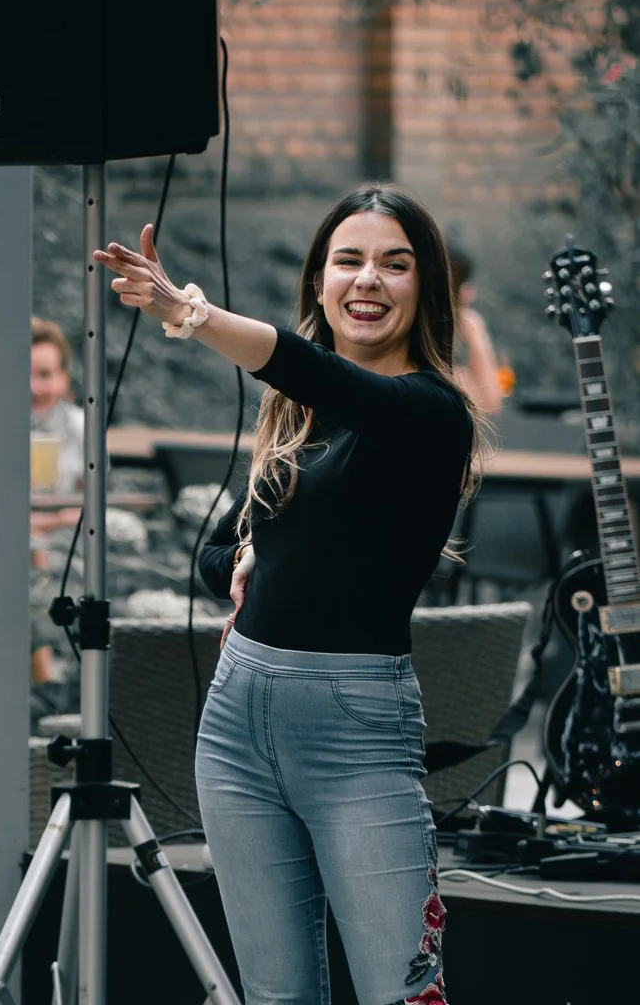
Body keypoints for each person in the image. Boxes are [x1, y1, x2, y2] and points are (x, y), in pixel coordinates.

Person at [95, 183, 482, 1005]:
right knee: (275, 997)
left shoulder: (430, 412)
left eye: (395, 264)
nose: (368, 280)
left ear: (426, 289)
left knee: (401, 995)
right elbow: (215, 548)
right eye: (349, 260)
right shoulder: (297, 420)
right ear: (319, 281)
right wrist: (239, 563)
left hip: (357, 730)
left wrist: (188, 311)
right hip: (237, 718)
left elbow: (320, 373)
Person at [28, 316, 84, 689]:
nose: (36, 386)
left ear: (63, 377)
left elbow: (87, 506)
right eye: (26, 373)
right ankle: (46, 680)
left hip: (66, 543)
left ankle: (47, 680)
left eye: (45, 374)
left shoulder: (81, 428)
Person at [448, 247, 505, 414]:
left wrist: (472, 330)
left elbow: (493, 402)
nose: (472, 293)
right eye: (464, 283)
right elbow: (489, 403)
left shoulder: (469, 323)